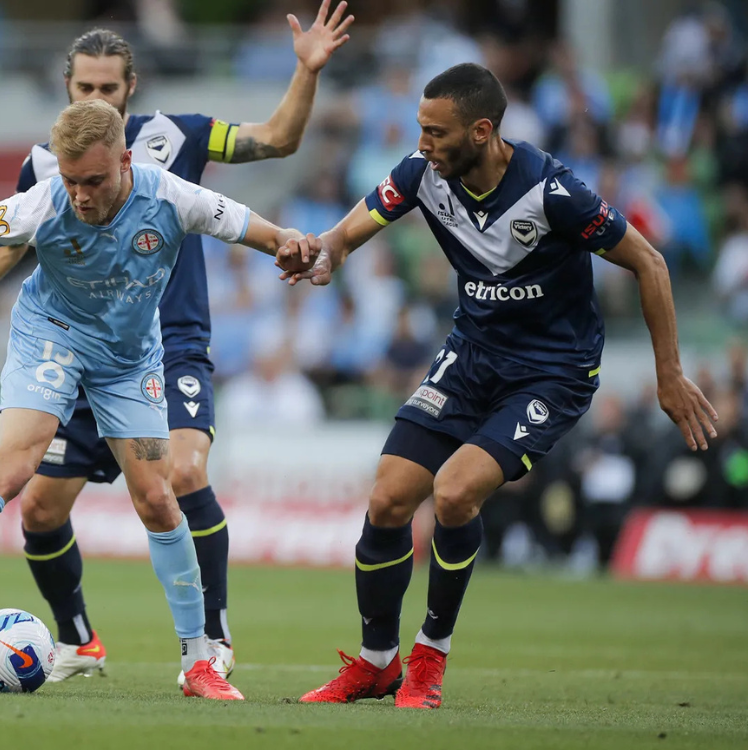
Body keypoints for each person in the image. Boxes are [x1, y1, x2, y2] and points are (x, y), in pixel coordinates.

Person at [0, 1, 354, 685]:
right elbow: (2, 249)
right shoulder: (49, 168)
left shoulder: (177, 137)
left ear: (131, 89)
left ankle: (209, 644)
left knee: (178, 479)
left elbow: (277, 139)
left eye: (109, 87)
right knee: (39, 508)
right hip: (72, 344)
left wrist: (305, 72)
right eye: (85, 88)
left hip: (166, 342)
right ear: (67, 90)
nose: (98, 97)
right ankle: (76, 642)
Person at [276, 63, 717, 709]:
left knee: (453, 494)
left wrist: (669, 373)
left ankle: (430, 658)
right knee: (389, 500)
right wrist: (321, 256)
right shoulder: (423, 175)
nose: (422, 143)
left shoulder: (554, 193)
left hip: (551, 371)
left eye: (436, 131)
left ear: (482, 131)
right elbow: (346, 236)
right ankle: (377, 664)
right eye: (420, 129)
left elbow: (649, 262)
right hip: (472, 356)